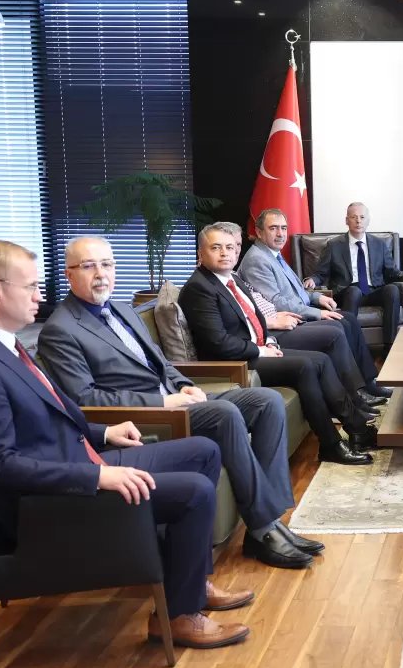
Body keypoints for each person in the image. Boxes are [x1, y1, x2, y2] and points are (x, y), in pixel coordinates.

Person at [0, 241, 251, 650]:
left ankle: (188, 583)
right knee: (194, 491)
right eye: (30, 287)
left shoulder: (0, 344)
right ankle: (178, 616)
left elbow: (49, 413)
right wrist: (98, 477)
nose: (39, 296)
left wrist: (103, 434)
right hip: (47, 505)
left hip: (75, 460)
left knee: (202, 451)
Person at [38, 236, 323, 570]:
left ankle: (272, 521)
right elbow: (84, 399)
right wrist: (163, 400)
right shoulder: (60, 330)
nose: (101, 274)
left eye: (107, 264)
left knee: (267, 401)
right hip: (146, 416)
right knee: (224, 413)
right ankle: (263, 531)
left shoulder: (121, 309)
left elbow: (161, 362)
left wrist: (184, 385)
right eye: (89, 266)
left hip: (175, 399)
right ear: (69, 274)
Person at [180, 225, 376, 465]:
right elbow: (218, 343)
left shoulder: (231, 279)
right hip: (233, 362)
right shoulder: (199, 288)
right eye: (216, 248)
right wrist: (260, 350)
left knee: (321, 360)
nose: (225, 253)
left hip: (255, 349)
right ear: (201, 253)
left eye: (229, 247)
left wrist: (270, 341)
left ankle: (357, 429)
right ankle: (331, 444)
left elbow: (256, 319)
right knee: (304, 366)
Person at [238, 208, 392, 399]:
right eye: (273, 228)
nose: (280, 234)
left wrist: (317, 298)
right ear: (259, 232)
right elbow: (276, 302)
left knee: (349, 319)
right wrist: (317, 313)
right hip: (285, 322)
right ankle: (355, 392)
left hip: (298, 312)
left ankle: (368, 382)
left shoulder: (273, 254)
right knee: (340, 325)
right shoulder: (257, 260)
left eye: (283, 228)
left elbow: (296, 291)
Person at [304, 202, 403, 348]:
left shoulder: (379, 244)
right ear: (347, 221)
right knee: (354, 290)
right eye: (354, 217)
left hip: (373, 290)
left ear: (368, 220)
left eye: (362, 217)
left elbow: (391, 270)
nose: (358, 221)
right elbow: (321, 272)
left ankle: (389, 346)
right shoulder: (334, 245)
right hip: (348, 291)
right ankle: (350, 346)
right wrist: (312, 279)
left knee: (392, 290)